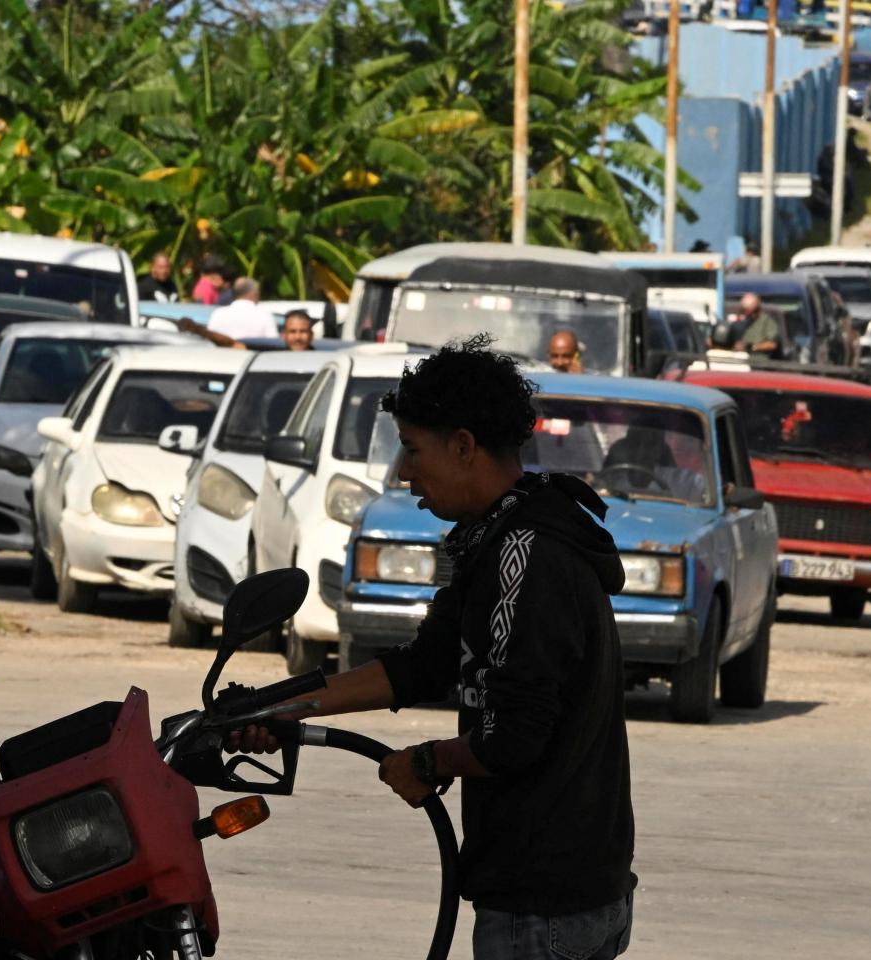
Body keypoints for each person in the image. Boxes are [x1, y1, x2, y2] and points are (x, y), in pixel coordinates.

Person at [231, 335, 636, 960]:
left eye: (413, 449)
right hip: (551, 895)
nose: (403, 472)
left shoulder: (527, 555)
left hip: (544, 904)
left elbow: (517, 735)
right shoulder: (494, 538)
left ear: (465, 446)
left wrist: (427, 762)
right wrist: (282, 707)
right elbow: (424, 665)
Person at [206, 277, 276, 341]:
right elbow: (273, 343)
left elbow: (210, 340)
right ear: (254, 294)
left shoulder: (218, 314)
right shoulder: (265, 316)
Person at [729, 293, 781, 358]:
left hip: (759, 364)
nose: (746, 314)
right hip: (740, 362)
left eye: (749, 311)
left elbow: (772, 344)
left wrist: (752, 347)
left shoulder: (767, 322)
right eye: (744, 310)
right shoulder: (740, 322)